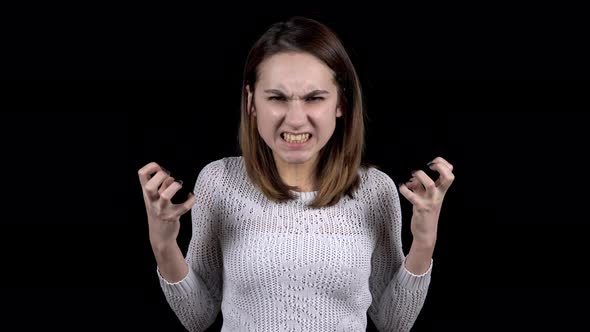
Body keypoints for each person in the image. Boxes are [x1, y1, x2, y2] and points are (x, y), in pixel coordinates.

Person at [137, 16, 455, 332]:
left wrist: (425, 239)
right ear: (251, 102)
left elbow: (393, 323)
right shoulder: (220, 182)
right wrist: (163, 245)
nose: (295, 119)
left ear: (341, 103)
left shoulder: (374, 190)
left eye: (314, 98)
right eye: (277, 98)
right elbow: (197, 318)